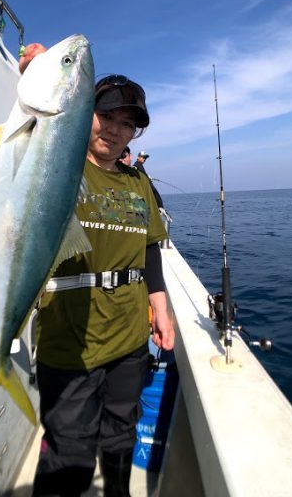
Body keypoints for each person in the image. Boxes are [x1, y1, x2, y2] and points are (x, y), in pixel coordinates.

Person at [19, 45, 175, 497]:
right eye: (107, 115)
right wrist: (40, 72)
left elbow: (149, 249)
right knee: (70, 447)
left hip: (129, 337)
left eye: (128, 124)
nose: (116, 129)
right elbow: (33, 122)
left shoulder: (137, 181)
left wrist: (160, 309)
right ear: (85, 110)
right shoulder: (55, 163)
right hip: (70, 341)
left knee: (122, 429)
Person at [133, 151, 172, 221]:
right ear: (138, 157)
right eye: (143, 157)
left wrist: (148, 177)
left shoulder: (139, 165)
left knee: (155, 194)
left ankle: (160, 209)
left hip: (148, 186)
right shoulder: (136, 165)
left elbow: (142, 174)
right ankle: (160, 209)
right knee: (155, 194)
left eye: (145, 158)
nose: (144, 159)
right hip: (146, 187)